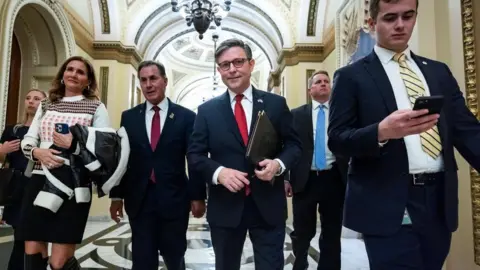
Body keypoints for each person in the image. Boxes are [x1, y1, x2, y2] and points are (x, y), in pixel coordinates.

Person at [327, 0, 480, 269]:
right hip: (387, 201)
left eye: (408, 16)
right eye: (390, 18)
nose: (400, 25)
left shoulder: (438, 71)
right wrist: (380, 132)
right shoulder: (351, 76)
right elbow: (337, 139)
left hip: (438, 199)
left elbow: (466, 130)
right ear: (372, 23)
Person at [187, 38, 302, 270]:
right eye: (225, 65)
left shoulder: (276, 105)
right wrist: (218, 172)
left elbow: (294, 146)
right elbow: (195, 154)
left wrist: (278, 165)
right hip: (225, 207)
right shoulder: (207, 111)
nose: (232, 69)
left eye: (238, 62)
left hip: (268, 205)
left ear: (251, 64)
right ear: (219, 70)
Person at [109, 60, 206, 270]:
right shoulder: (129, 117)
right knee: (142, 261)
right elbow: (121, 159)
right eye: (143, 80)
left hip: (174, 200)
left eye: (153, 78)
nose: (148, 84)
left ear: (165, 81)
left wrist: (198, 196)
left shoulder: (186, 117)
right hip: (139, 200)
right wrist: (116, 196)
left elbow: (194, 159)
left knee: (174, 256)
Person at [18, 56, 111, 270]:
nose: (73, 74)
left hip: (74, 185)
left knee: (59, 262)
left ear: (88, 80)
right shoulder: (46, 104)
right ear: (62, 75)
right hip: (40, 181)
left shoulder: (95, 106)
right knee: (32, 252)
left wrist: (75, 144)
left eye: (80, 72)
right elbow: (30, 139)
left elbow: (104, 148)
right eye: (70, 69)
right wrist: (37, 152)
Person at [289, 70, 347, 270]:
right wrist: (286, 178)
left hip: (334, 178)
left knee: (332, 230)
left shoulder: (341, 114)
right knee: (303, 229)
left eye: (326, 81)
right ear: (310, 89)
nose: (323, 84)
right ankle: (300, 261)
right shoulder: (296, 115)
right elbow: (287, 147)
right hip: (305, 179)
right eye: (318, 82)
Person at [0, 89, 46, 270]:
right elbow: (3, 159)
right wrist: (3, 151)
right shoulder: (13, 129)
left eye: (37, 98)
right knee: (20, 235)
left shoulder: (46, 129)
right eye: (28, 98)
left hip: (38, 186)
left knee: (35, 235)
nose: (31, 101)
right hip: (16, 188)